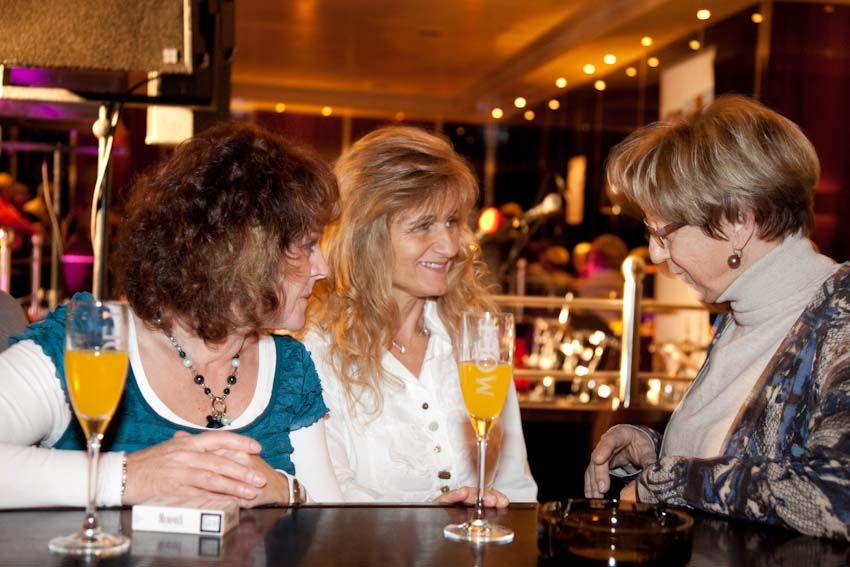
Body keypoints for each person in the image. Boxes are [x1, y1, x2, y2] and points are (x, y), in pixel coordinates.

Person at [0, 122, 343, 508]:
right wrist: (132, 477)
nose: (323, 268)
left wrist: (284, 489)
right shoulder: (90, 338)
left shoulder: (289, 368)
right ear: (241, 252)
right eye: (308, 246)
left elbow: (332, 521)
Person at [584, 95, 850, 540]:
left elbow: (838, 498)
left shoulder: (840, 317)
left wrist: (670, 480)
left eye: (664, 233)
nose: (655, 254)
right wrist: (655, 451)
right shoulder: (742, 313)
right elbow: (747, 458)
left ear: (737, 223)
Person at [303, 126, 537, 505]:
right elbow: (327, 497)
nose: (449, 246)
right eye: (423, 226)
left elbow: (517, 486)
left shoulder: (473, 339)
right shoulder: (316, 352)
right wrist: (424, 522)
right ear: (367, 237)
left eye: (452, 222)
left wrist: (499, 512)